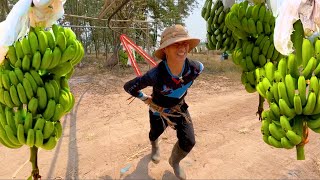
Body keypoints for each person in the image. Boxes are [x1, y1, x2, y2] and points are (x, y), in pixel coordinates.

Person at [123, 24, 204, 180]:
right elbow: (129, 87)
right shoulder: (155, 75)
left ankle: (175, 162)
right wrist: (146, 99)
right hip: (158, 110)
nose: (181, 47)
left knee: (189, 141)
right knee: (155, 133)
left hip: (180, 110)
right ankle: (154, 147)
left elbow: (183, 85)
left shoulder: (196, 68)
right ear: (165, 50)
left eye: (184, 42)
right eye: (175, 43)